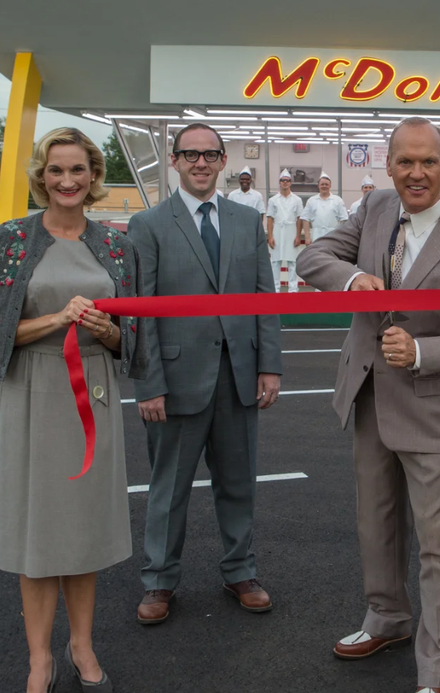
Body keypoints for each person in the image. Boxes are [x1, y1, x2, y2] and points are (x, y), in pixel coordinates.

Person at [299, 116, 440, 693]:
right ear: (387, 166)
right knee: (376, 525)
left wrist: (421, 352)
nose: (416, 173)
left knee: (438, 545)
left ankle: (438, 667)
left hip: (429, 409)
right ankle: (386, 617)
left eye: (429, 162)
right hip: (366, 398)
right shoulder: (374, 211)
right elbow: (312, 257)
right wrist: (351, 279)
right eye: (405, 162)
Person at [0, 126, 147, 693]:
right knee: (38, 530)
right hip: (33, 390)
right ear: (41, 177)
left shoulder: (118, 246)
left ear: (94, 177)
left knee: (83, 528)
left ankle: (83, 647)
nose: (67, 181)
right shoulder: (11, 241)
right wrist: (58, 319)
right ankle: (39, 659)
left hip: (92, 392)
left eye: (78, 170)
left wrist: (107, 331)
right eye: (55, 170)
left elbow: (132, 340)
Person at [129, 123, 284, 627]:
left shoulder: (245, 220)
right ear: (174, 161)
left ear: (222, 161)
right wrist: (149, 381)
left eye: (210, 154)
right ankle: (159, 581)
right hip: (174, 382)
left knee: (238, 484)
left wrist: (269, 365)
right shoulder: (149, 224)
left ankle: (240, 570)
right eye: (190, 154)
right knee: (168, 489)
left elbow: (264, 298)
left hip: (238, 375)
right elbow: (139, 310)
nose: (200, 162)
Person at [266, 169, 303, 293]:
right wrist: (270, 236)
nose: (285, 183)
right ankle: (275, 289)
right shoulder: (273, 200)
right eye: (283, 181)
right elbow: (270, 219)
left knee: (292, 262)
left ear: (290, 183)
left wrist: (298, 236)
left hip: (291, 231)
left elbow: (299, 219)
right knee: (275, 261)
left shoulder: (297, 200)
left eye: (287, 181)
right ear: (279, 183)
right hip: (277, 231)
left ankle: (293, 289)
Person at [300, 172, 350, 244]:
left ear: (330, 186)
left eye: (326, 184)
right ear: (318, 186)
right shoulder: (312, 200)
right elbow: (305, 219)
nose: (324, 186)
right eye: (322, 184)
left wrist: (340, 237)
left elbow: (344, 220)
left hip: (333, 237)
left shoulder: (338, 200)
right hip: (316, 236)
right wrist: (307, 238)